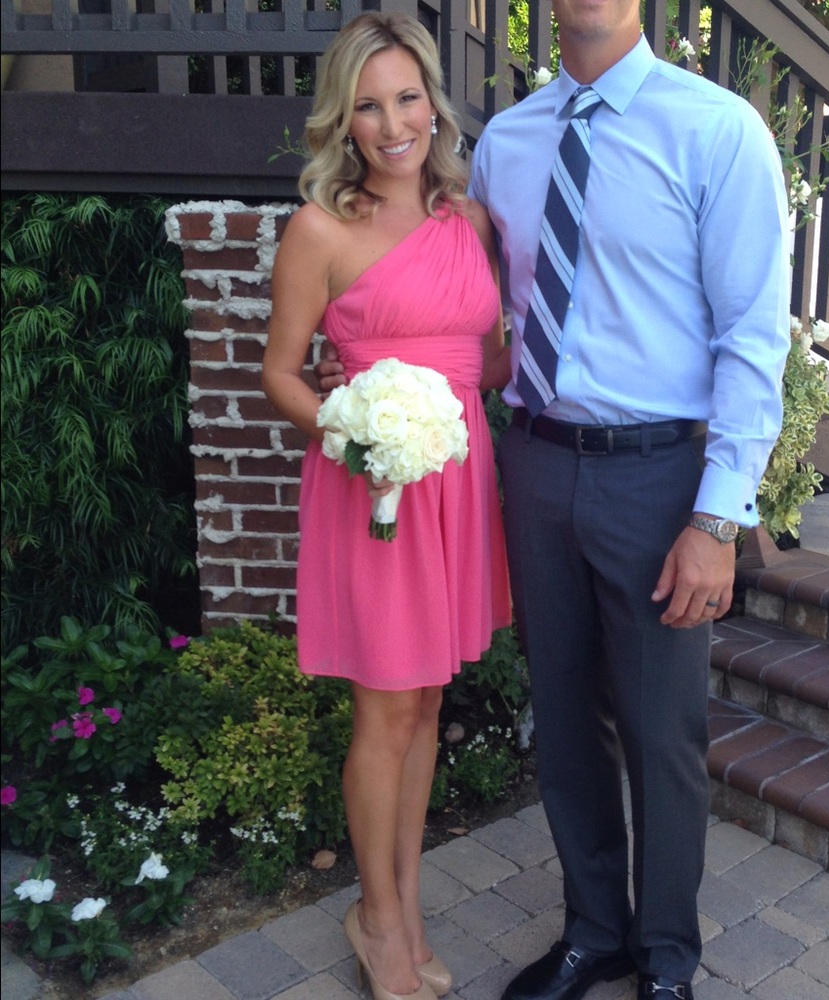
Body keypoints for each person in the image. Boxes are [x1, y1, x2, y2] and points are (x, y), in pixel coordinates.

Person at [319, 0, 790, 996]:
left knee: (662, 730)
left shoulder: (715, 130)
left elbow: (752, 337)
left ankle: (664, 954)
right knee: (565, 714)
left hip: (659, 473)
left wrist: (717, 518)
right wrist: (388, 389)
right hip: (528, 463)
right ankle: (592, 930)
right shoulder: (508, 145)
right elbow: (479, 315)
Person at [261, 12, 511, 1000]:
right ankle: (377, 918)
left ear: (432, 106)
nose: (392, 121)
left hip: (460, 478)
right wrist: (354, 425)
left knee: (428, 699)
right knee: (386, 707)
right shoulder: (319, 229)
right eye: (368, 104)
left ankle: (404, 904)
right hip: (375, 485)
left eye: (406, 97)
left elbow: (486, 358)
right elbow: (280, 374)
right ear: (343, 120)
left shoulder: (472, 222)